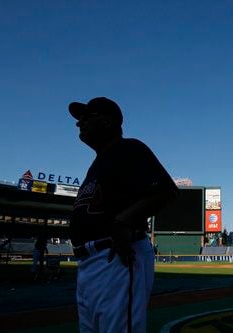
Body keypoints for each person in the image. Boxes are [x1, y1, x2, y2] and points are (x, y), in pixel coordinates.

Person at [68, 97, 179, 333]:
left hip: (115, 257)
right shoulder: (98, 163)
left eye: (87, 117)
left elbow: (166, 190)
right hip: (89, 263)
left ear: (108, 122)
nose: (80, 124)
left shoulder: (128, 148)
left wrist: (122, 222)